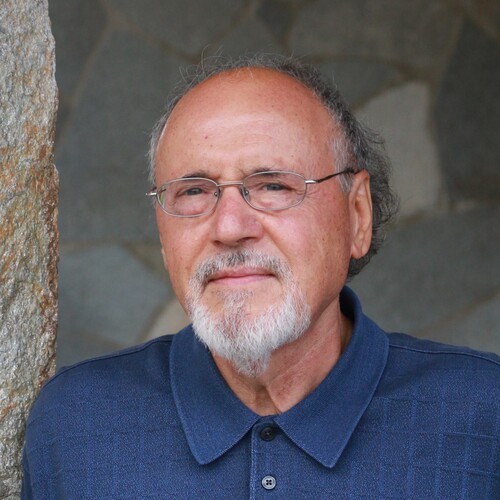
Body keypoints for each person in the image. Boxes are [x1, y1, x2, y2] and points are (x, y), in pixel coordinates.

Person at [22, 55, 499, 499]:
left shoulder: (483, 415)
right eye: (194, 191)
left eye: (273, 185)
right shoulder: (77, 425)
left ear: (357, 215)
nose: (230, 227)